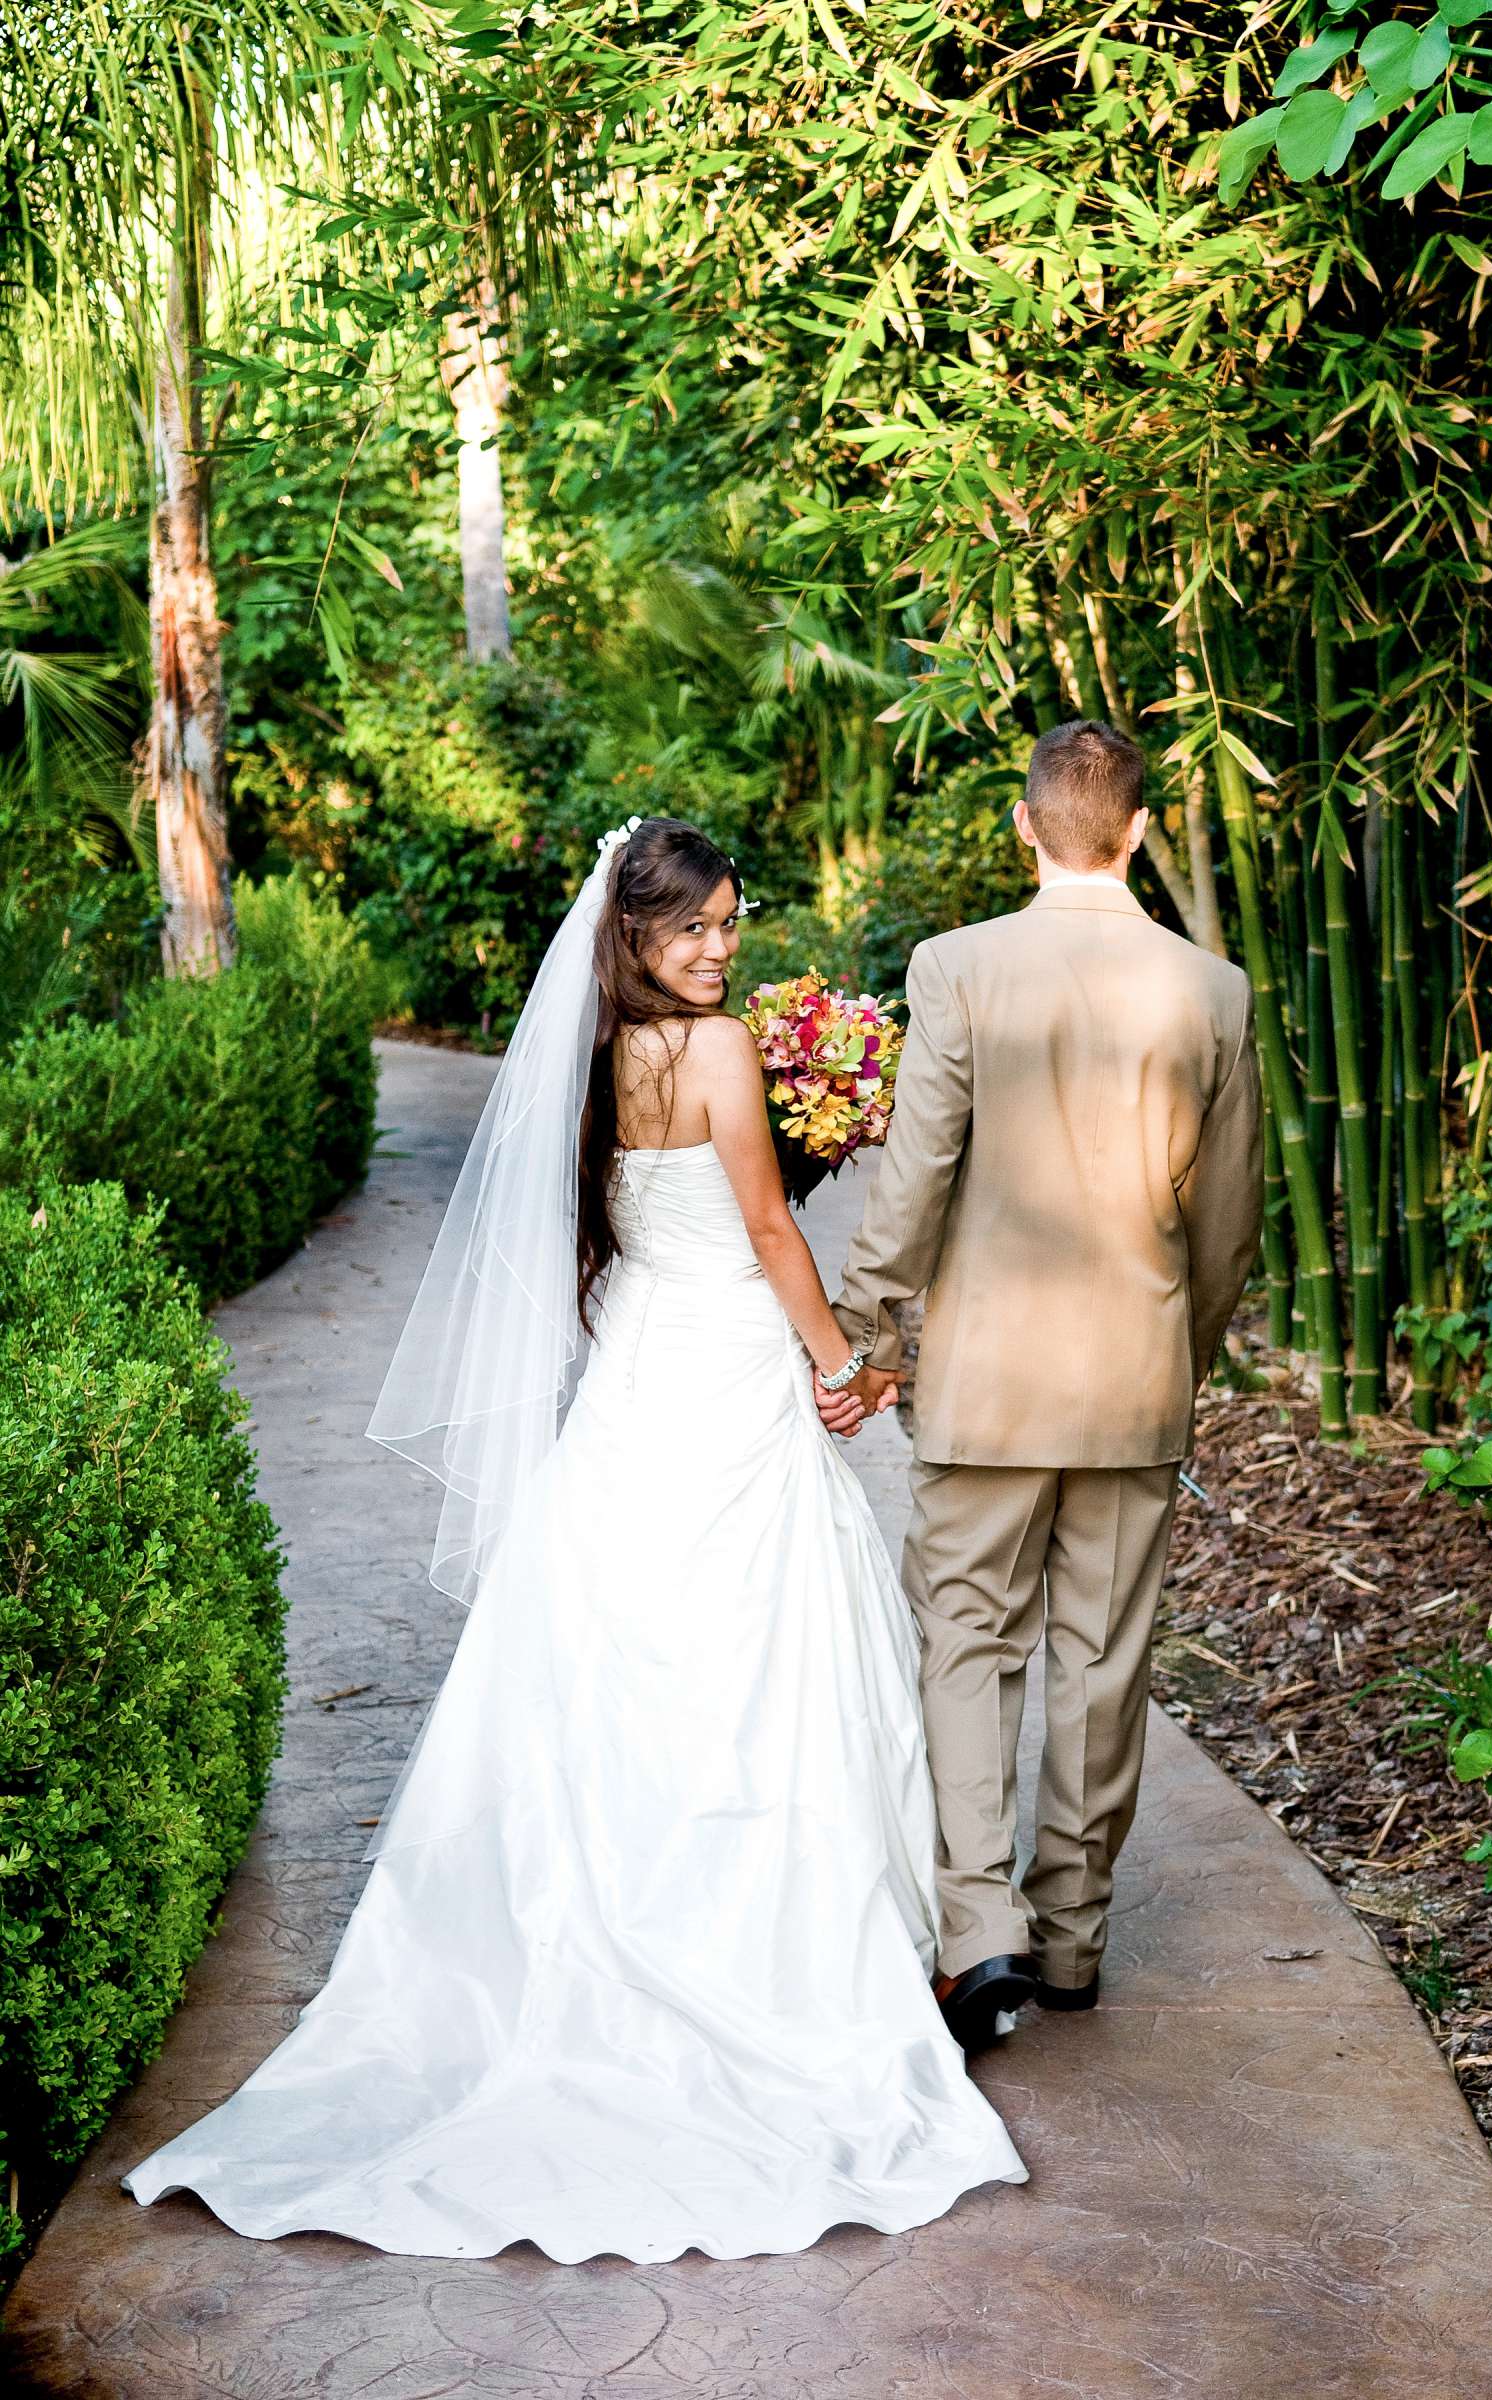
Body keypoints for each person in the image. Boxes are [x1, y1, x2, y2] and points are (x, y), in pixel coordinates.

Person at [123, 814, 1024, 2263]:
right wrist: (835, 1366)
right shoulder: (719, 1054)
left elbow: (616, 1226)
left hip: (637, 1365)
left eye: (735, 921)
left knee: (621, 1637)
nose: (724, 948)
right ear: (634, 937)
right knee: (755, 1642)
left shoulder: (597, 1058)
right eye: (697, 931)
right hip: (725, 1355)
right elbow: (771, 1236)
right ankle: (781, 1965)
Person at [820, 721, 1264, 2051]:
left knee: (964, 1643)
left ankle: (978, 1931)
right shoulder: (1211, 989)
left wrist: (872, 1331)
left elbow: (916, 1172)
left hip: (982, 1380)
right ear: (1136, 831)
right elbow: (1229, 1218)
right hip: (1132, 1378)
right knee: (1102, 1658)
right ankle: (1071, 1940)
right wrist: (1175, 1353)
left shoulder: (958, 968)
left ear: (1024, 827)